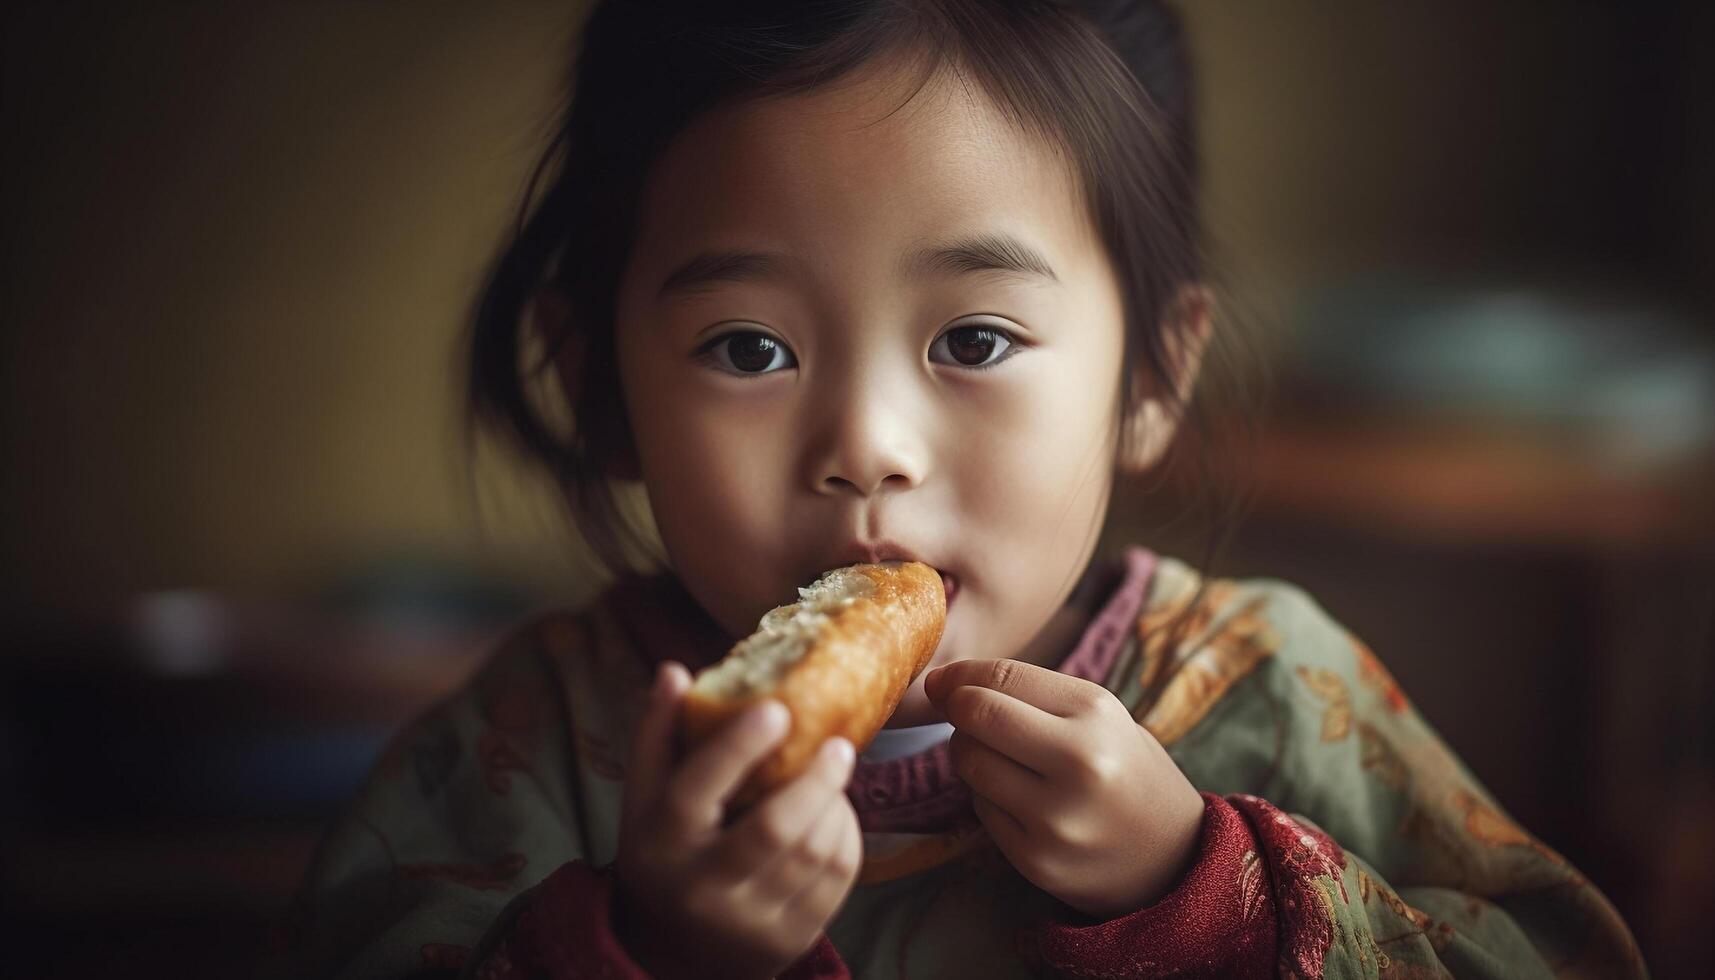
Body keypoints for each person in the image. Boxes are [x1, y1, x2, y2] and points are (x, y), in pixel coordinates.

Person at [279, 1, 1647, 977]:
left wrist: (1198, 891)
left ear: (1152, 375)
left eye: (974, 340)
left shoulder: (1268, 692)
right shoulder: (533, 749)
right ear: (602, 385)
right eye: (748, 347)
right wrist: (648, 942)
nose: (869, 444)